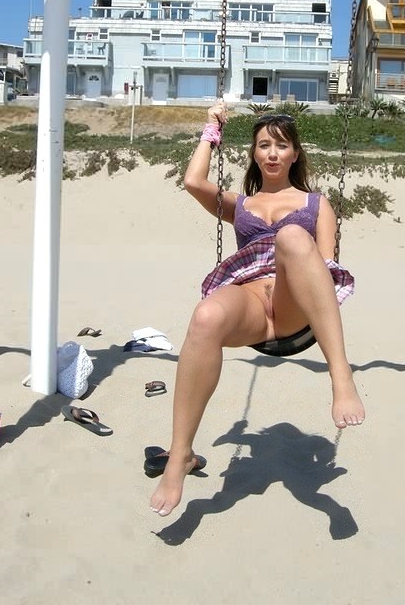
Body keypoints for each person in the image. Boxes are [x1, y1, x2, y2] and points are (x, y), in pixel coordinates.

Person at [150, 102, 365, 518]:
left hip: (293, 307)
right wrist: (211, 129)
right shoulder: (240, 205)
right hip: (249, 303)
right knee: (205, 316)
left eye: (281, 145)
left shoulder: (316, 204)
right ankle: (180, 456)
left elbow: (326, 271)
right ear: (253, 152)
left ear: (295, 154)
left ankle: (341, 377)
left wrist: (296, 251)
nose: (272, 153)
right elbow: (193, 181)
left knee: (292, 238)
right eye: (264, 145)